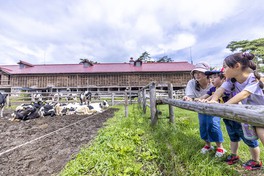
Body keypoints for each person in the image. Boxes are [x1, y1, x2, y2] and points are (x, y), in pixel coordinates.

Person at [210, 52, 263, 170]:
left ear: (237, 66)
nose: (223, 70)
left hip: (261, 113)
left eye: (226, 67)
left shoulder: (254, 78)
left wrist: (225, 105)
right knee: (249, 137)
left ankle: (256, 161)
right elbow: (220, 90)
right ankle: (255, 161)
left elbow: (244, 94)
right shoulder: (231, 80)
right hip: (250, 114)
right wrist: (213, 100)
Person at [183, 62, 226, 157]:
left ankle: (220, 147)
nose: (197, 75)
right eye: (195, 72)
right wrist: (188, 98)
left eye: (200, 72)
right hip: (201, 107)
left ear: (207, 75)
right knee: (203, 125)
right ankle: (208, 145)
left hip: (214, 107)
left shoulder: (214, 83)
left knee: (213, 124)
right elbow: (189, 96)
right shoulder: (192, 83)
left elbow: (215, 94)